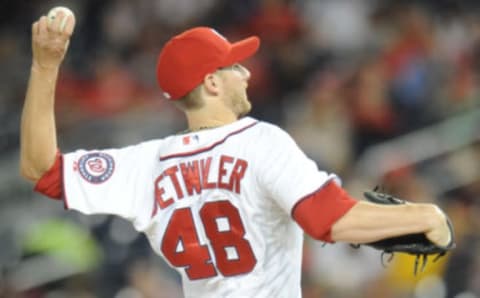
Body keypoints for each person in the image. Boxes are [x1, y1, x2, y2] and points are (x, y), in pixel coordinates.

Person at [20, 11, 453, 298]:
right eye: (233, 66)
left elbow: (41, 169)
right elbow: (328, 220)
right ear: (211, 83)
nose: (246, 73)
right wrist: (425, 217)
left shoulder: (146, 164)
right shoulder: (260, 141)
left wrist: (45, 67)